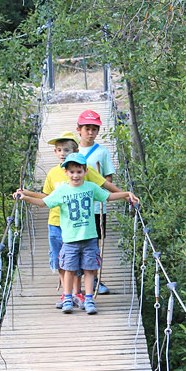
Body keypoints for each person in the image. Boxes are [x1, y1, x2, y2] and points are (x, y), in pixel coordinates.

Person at [17, 131, 136, 310]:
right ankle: (68, 297)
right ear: (66, 172)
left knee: (87, 268)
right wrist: (25, 196)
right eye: (72, 172)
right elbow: (44, 200)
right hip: (65, 233)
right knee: (66, 265)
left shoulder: (90, 186)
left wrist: (126, 194)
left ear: (85, 171)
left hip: (88, 236)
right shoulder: (59, 185)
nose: (75, 175)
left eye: (79, 172)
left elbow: (107, 194)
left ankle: (85, 297)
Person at [76, 109, 115, 294]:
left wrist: (101, 191)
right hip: (76, 206)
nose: (90, 132)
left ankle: (94, 280)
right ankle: (75, 282)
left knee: (94, 244)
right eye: (87, 128)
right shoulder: (72, 150)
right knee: (75, 243)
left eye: (94, 129)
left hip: (96, 207)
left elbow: (108, 178)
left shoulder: (102, 152)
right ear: (79, 129)